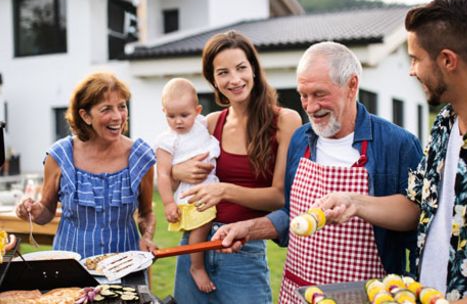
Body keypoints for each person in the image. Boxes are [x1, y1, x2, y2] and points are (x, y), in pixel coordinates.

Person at [311, 0, 467, 303]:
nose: (411, 70)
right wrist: (354, 202)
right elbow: (416, 206)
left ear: (448, 60)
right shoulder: (445, 124)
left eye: (415, 58)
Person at [212, 41, 423, 303]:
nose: (310, 107)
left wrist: (355, 203)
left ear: (352, 85)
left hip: (366, 295)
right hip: (301, 292)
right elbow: (293, 214)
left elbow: (417, 216)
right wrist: (250, 228)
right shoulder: (300, 139)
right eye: (303, 95)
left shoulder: (397, 144)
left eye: (320, 94)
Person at [171, 30, 302, 303]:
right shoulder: (209, 123)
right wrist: (175, 172)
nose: (234, 79)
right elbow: (176, 176)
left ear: (253, 69)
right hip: (195, 244)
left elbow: (279, 196)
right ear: (214, 81)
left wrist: (225, 191)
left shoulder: (285, 121)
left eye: (241, 68)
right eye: (223, 73)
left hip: (242, 250)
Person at [15, 72, 156, 258]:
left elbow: (146, 213)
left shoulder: (140, 157)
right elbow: (47, 211)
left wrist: (146, 236)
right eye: (106, 109)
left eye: (121, 107)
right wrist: (33, 211)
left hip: (125, 266)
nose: (117, 117)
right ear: (85, 116)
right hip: (71, 268)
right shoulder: (59, 155)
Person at [155, 77, 220, 293]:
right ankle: (196, 267)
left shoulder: (202, 123)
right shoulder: (167, 140)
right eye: (171, 116)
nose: (178, 121)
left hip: (211, 186)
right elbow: (163, 174)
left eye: (184, 115)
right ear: (164, 112)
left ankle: (199, 264)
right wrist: (168, 204)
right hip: (191, 195)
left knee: (207, 225)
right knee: (200, 226)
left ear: (198, 110)